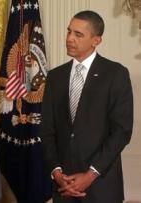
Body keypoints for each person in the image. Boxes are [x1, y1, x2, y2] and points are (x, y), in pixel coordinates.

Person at [39, 10, 133, 203]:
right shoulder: (56, 77)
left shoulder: (115, 74)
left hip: (102, 188)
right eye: (69, 32)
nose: (70, 38)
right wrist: (57, 172)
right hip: (64, 187)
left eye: (78, 34)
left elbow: (121, 132)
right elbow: (47, 129)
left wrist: (90, 175)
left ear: (96, 40)